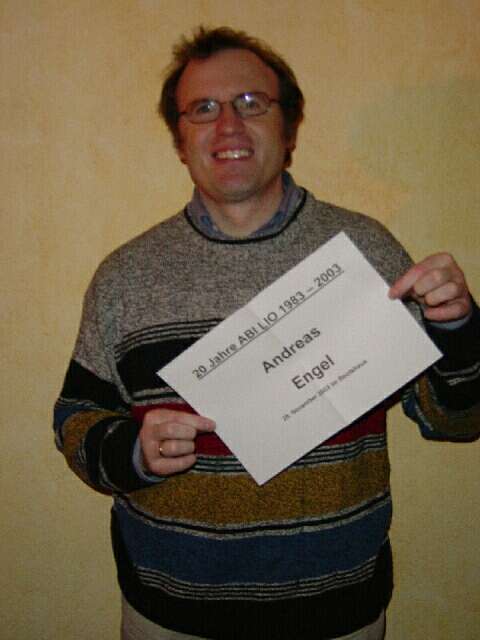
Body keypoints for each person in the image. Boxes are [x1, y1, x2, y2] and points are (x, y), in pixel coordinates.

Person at [54, 26, 480, 640]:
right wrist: (132, 453)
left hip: (339, 614)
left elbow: (457, 421)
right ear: (179, 140)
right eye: (203, 108)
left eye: (252, 103)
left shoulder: (366, 252)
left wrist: (458, 327)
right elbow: (75, 417)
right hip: (170, 617)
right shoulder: (125, 275)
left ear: (289, 128)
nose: (228, 125)